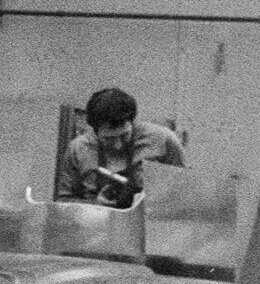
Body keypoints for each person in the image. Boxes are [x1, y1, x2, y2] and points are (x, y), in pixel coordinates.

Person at [58, 87, 188, 209]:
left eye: (124, 135)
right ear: (95, 131)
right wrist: (96, 205)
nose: (118, 145)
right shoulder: (78, 149)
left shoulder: (164, 140)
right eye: (108, 139)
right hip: (97, 228)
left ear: (132, 122)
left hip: (150, 227)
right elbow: (64, 202)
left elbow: (185, 194)